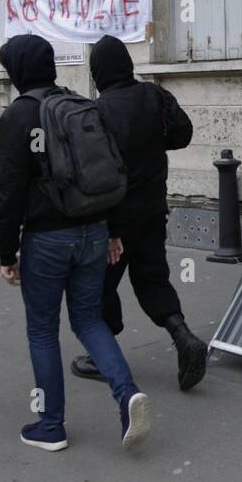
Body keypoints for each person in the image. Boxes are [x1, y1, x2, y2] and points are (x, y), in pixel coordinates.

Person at [0, 34, 150, 453]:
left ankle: (51, 425)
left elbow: (8, 191)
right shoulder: (82, 105)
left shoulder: (19, 116)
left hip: (47, 239)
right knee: (89, 319)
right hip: (94, 229)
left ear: (18, 70)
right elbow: (108, 171)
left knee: (42, 330)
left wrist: (6, 252)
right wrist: (113, 230)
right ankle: (127, 393)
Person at [70, 36, 206, 391]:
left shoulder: (96, 111)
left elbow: (90, 168)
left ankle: (103, 355)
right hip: (152, 209)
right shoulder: (154, 95)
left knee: (99, 285)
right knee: (152, 278)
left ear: (98, 72)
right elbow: (182, 134)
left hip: (112, 220)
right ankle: (183, 335)